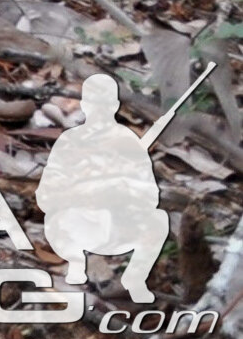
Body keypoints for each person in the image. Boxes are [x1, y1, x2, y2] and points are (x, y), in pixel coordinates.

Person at [39, 73, 171, 298]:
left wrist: (125, 190)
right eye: (93, 102)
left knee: (158, 220)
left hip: (118, 224)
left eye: (105, 103)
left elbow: (150, 195)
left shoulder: (128, 142)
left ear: (115, 105)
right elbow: (45, 194)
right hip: (78, 222)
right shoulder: (70, 141)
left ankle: (134, 280)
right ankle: (76, 266)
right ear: (85, 104)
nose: (99, 109)